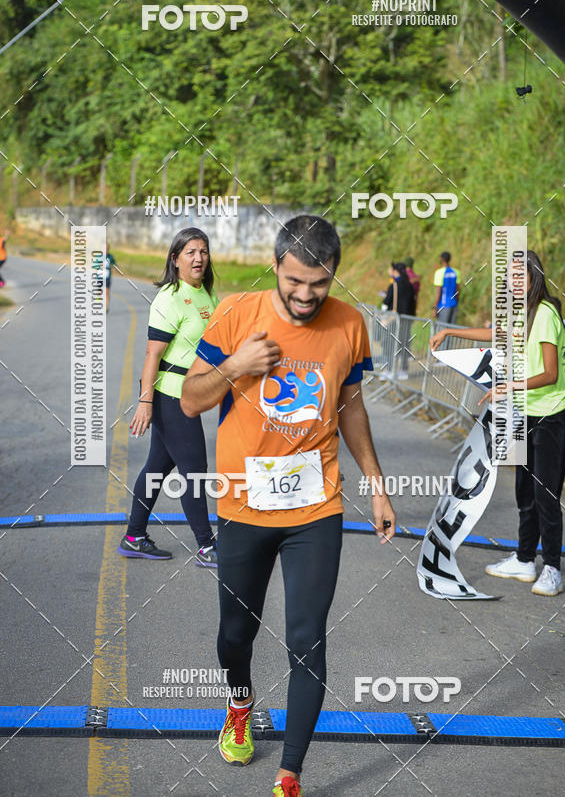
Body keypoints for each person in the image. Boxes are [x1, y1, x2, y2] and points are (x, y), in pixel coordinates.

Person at [181, 214, 395, 797]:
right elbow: (190, 400)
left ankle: (289, 775)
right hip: (243, 504)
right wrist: (234, 367)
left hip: (315, 505)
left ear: (335, 276)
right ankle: (240, 704)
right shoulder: (236, 314)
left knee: (307, 635)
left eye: (318, 284)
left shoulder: (349, 324)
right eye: (294, 281)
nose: (305, 296)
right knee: (235, 634)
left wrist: (375, 482)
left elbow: (350, 408)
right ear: (275, 265)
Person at [429, 250, 565, 597]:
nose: (513, 282)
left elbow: (550, 374)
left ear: (534, 276)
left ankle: (552, 567)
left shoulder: (546, 315)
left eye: (519, 276)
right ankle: (525, 559)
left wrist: (508, 386)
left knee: (544, 493)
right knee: (524, 489)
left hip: (551, 414)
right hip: (524, 413)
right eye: (509, 277)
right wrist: (450, 330)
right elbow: (493, 334)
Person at [119, 228, 219, 565]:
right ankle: (207, 546)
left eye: (203, 251)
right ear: (175, 259)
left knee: (156, 468)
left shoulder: (207, 294)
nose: (198, 258)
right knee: (194, 470)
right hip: (170, 396)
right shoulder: (170, 297)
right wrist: (146, 402)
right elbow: (152, 355)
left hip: (192, 393)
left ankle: (134, 536)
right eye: (190, 252)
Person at [433, 251, 461, 323]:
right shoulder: (456, 272)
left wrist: (434, 308)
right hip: (454, 304)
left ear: (441, 259)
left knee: (442, 329)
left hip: (443, 304)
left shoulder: (439, 272)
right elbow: (457, 291)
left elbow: (438, 292)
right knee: (452, 330)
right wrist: (457, 303)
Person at [104, 244, 116, 312]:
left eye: (107, 248)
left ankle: (106, 307)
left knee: (106, 291)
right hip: (99, 276)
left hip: (107, 277)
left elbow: (114, 264)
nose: (106, 250)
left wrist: (115, 268)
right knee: (98, 292)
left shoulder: (110, 257)